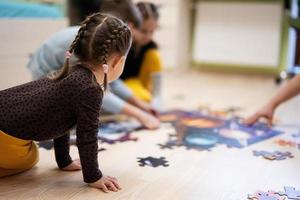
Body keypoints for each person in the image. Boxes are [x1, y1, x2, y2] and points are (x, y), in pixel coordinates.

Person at [0, 13, 131, 193]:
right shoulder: (90, 89)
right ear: (118, 61)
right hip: (4, 137)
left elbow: (60, 116)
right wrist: (94, 176)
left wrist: (64, 161)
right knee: (31, 157)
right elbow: (87, 135)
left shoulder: (73, 72)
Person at [27, 0, 160, 129]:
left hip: (60, 70)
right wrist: (138, 114)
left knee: (104, 105)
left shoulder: (104, 40)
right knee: (91, 107)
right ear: (126, 26)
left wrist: (139, 104)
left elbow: (111, 80)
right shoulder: (89, 46)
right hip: (45, 77)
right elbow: (92, 88)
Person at [120, 2, 162, 109]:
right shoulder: (119, 44)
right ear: (130, 25)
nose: (148, 36)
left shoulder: (150, 48)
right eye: (143, 31)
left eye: (152, 32)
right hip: (118, 87)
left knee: (154, 55)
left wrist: (157, 101)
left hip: (139, 89)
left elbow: (157, 88)